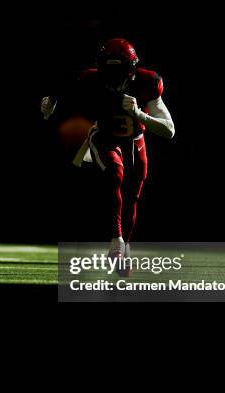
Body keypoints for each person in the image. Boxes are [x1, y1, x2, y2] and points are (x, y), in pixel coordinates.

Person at [41, 38, 175, 276]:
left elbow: (169, 130)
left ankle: (124, 249)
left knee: (133, 193)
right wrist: (51, 100)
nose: (115, 79)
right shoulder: (91, 78)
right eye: (109, 72)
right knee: (115, 173)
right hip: (104, 137)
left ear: (132, 69)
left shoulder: (148, 82)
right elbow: (65, 83)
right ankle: (116, 243)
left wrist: (138, 115)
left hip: (135, 140)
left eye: (119, 71)